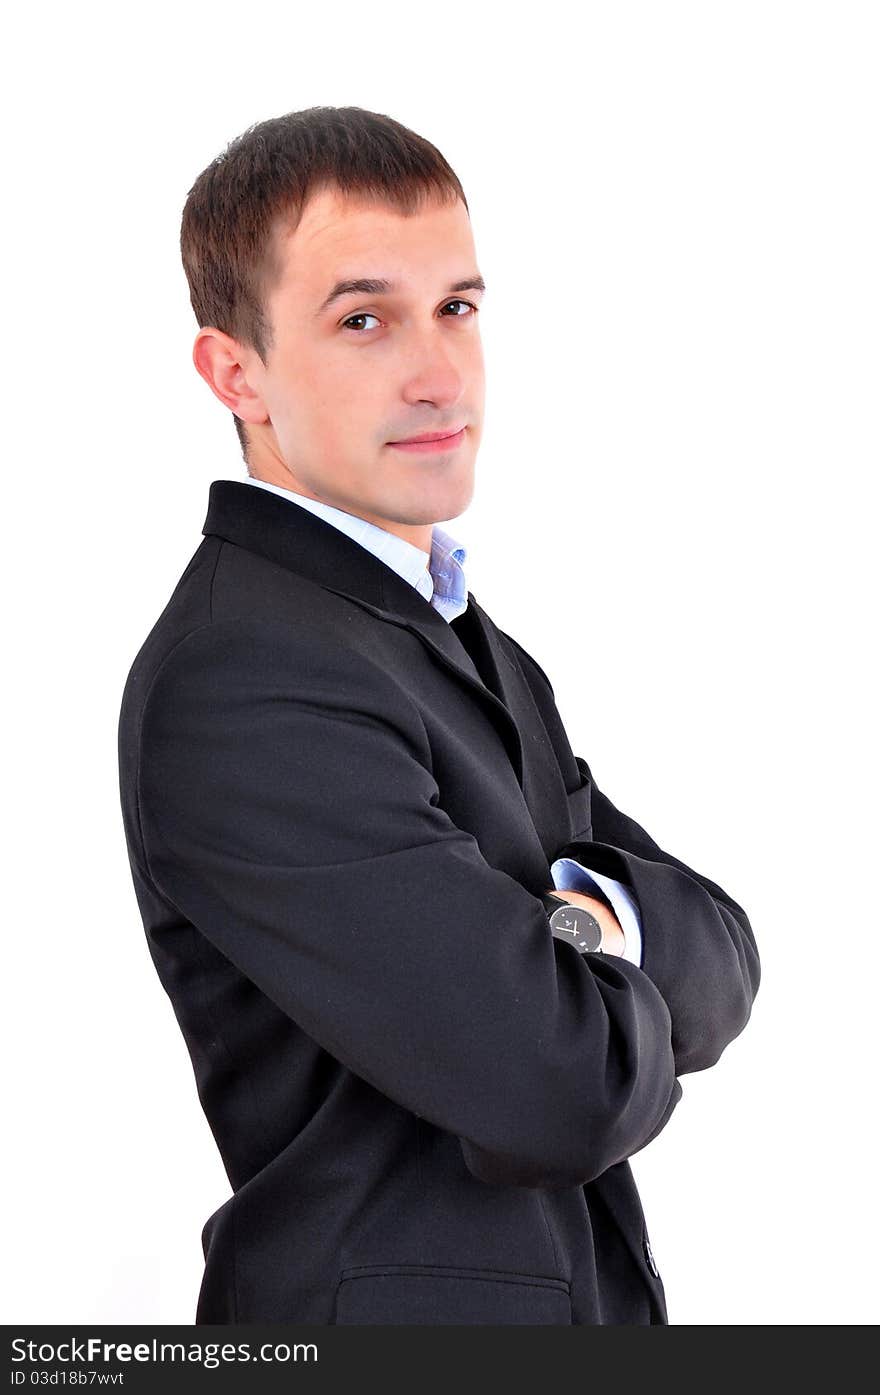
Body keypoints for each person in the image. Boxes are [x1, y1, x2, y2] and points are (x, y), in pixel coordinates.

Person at [117, 105, 761, 1326]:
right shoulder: (247, 676)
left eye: (456, 308)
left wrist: (569, 929)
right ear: (233, 370)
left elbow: (725, 961)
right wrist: (599, 935)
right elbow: (559, 1085)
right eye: (363, 319)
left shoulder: (461, 639)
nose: (437, 373)